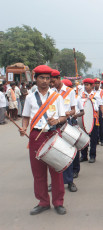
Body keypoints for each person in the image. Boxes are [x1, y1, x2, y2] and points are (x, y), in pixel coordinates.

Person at [20, 65, 67, 215]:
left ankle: (58, 202)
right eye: (42, 78)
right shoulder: (29, 97)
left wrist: (57, 120)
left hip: (53, 134)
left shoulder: (56, 96)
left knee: (56, 170)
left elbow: (64, 116)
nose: (45, 81)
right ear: (35, 79)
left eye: (48, 78)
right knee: (38, 172)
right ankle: (43, 202)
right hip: (36, 136)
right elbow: (26, 116)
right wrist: (23, 128)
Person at [50, 70, 78, 192]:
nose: (51, 83)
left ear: (59, 78)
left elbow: (73, 110)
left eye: (53, 81)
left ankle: (70, 180)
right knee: (54, 154)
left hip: (66, 124)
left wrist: (68, 113)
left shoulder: (70, 91)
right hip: (53, 126)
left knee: (67, 152)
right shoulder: (50, 92)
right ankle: (55, 181)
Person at [80, 78, 100, 163]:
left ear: (92, 86)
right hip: (83, 119)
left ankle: (92, 155)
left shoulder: (96, 95)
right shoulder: (81, 95)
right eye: (85, 85)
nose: (86, 86)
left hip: (93, 119)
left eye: (87, 85)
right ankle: (84, 155)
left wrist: (90, 102)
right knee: (83, 138)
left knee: (93, 139)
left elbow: (97, 107)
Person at [94, 79, 103, 146]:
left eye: (98, 83)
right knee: (95, 126)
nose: (96, 84)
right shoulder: (92, 91)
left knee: (101, 125)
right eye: (95, 83)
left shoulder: (102, 91)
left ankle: (102, 140)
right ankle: (96, 140)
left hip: (100, 108)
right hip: (94, 110)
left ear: (99, 84)